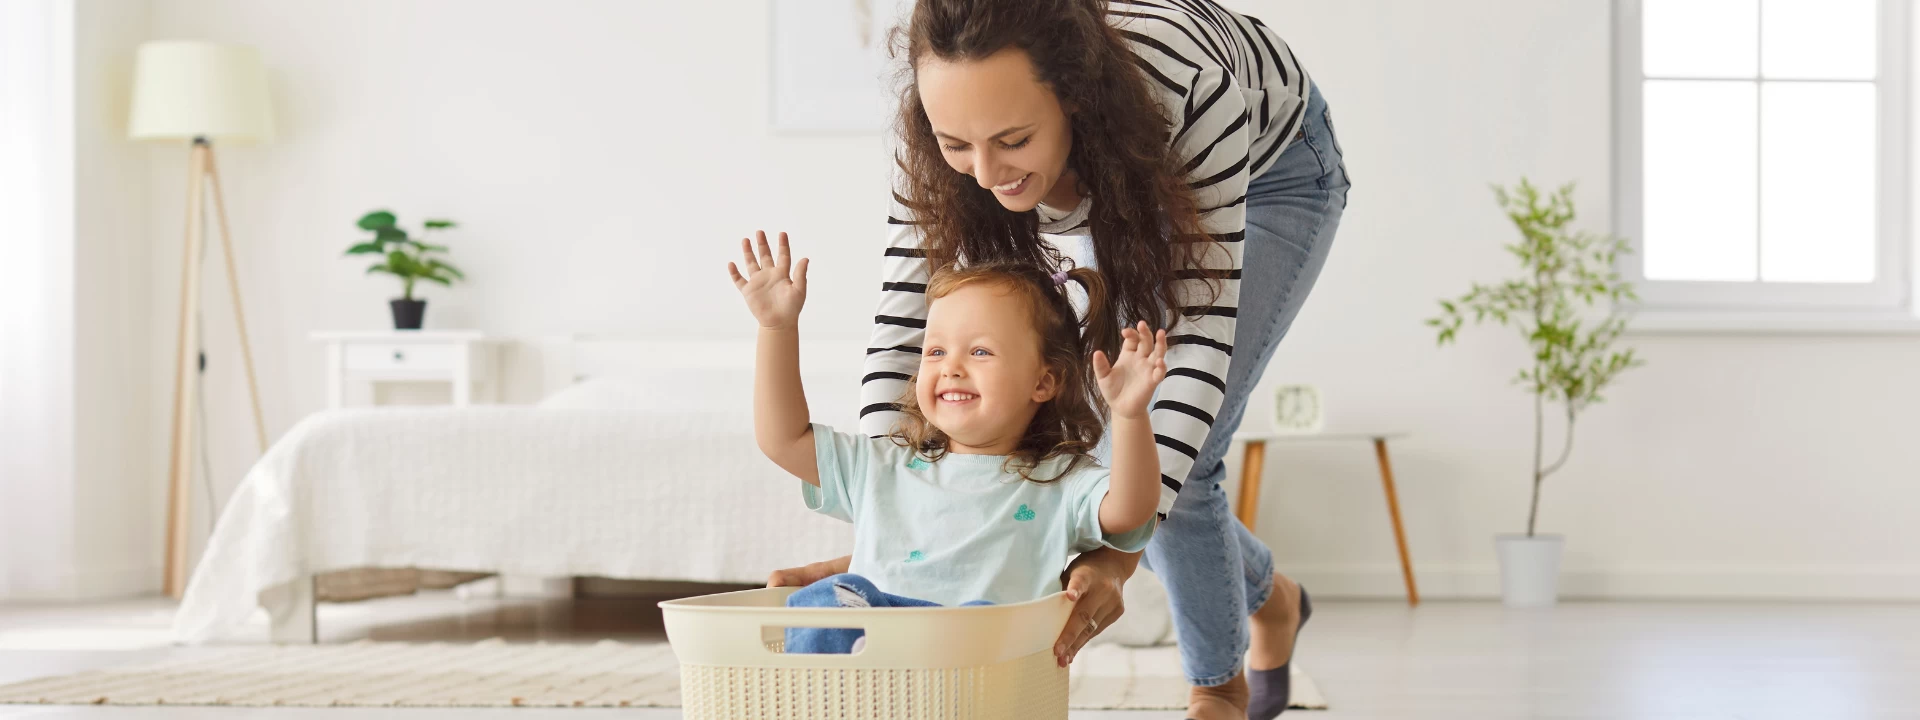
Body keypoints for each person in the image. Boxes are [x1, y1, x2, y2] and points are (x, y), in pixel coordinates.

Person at [770, 1, 1349, 717]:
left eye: (1012, 139)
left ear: (1074, 95)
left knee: (1162, 453)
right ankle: (1269, 597)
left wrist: (1116, 559)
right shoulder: (945, 122)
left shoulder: (1189, 92)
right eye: (957, 145)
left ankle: (1216, 689)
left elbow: (1195, 350)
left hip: (1269, 177)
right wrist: (900, 530)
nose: (985, 174)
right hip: (1111, 157)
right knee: (1106, 461)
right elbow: (905, 316)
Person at [728, 232, 1167, 654]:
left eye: (980, 352)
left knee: (983, 621)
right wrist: (776, 328)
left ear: (1043, 381)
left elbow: (1130, 511)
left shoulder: (1060, 481)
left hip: (978, 670)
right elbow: (783, 439)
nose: (951, 367)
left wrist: (1129, 415)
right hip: (875, 666)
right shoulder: (880, 465)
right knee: (827, 599)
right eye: (936, 351)